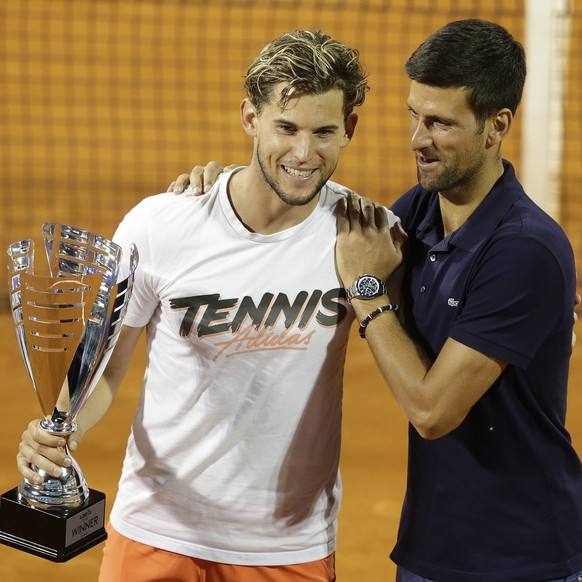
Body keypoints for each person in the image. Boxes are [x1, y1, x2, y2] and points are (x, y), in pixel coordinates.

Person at [169, 19, 582, 582]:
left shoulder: (524, 249)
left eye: (440, 123)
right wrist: (221, 188)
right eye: (414, 115)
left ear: (496, 126)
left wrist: (368, 293)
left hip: (519, 556)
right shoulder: (417, 212)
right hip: (432, 548)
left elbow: (432, 411)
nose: (417, 138)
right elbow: (302, 215)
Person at [17, 29, 399, 582]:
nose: (303, 153)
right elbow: (107, 363)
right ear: (250, 118)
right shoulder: (163, 224)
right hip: (156, 530)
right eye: (285, 127)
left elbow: (460, 290)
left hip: (286, 547)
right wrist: (62, 427)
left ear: (350, 129)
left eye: (324, 132)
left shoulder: (367, 235)